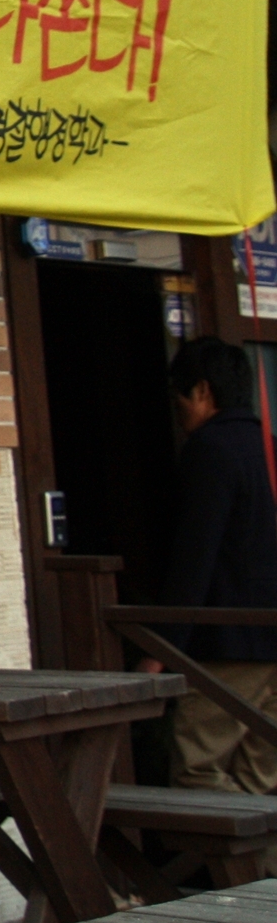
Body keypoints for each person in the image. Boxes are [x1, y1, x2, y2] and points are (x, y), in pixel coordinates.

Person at [147, 338, 277, 794]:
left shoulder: (210, 450)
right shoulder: (270, 446)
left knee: (196, 773)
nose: (178, 413)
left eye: (178, 398)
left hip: (230, 649)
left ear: (202, 391)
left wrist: (160, 649)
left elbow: (194, 559)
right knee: (257, 781)